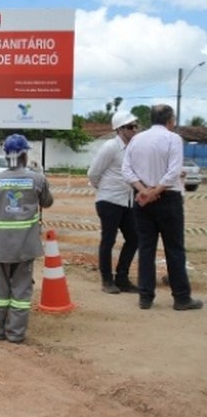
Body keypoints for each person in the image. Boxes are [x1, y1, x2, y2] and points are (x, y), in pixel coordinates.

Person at [122, 104, 203, 311]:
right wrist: (155, 191)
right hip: (168, 199)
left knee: (146, 248)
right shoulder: (173, 139)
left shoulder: (136, 139)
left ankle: (145, 297)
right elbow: (174, 171)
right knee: (174, 248)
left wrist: (144, 191)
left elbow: (127, 170)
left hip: (142, 199)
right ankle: (181, 298)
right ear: (170, 120)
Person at [0, 134, 53, 343]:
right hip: (26, 247)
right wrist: (42, 177)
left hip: (0, 247)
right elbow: (48, 202)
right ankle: (16, 333)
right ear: (24, 155)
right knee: (21, 291)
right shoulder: (36, 179)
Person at [87, 111, 140, 294]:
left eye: (135, 126)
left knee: (134, 238)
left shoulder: (133, 148)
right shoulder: (110, 147)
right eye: (130, 126)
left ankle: (122, 278)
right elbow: (93, 173)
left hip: (127, 201)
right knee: (108, 240)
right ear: (119, 129)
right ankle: (107, 280)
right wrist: (104, 189)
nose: (134, 129)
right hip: (109, 200)